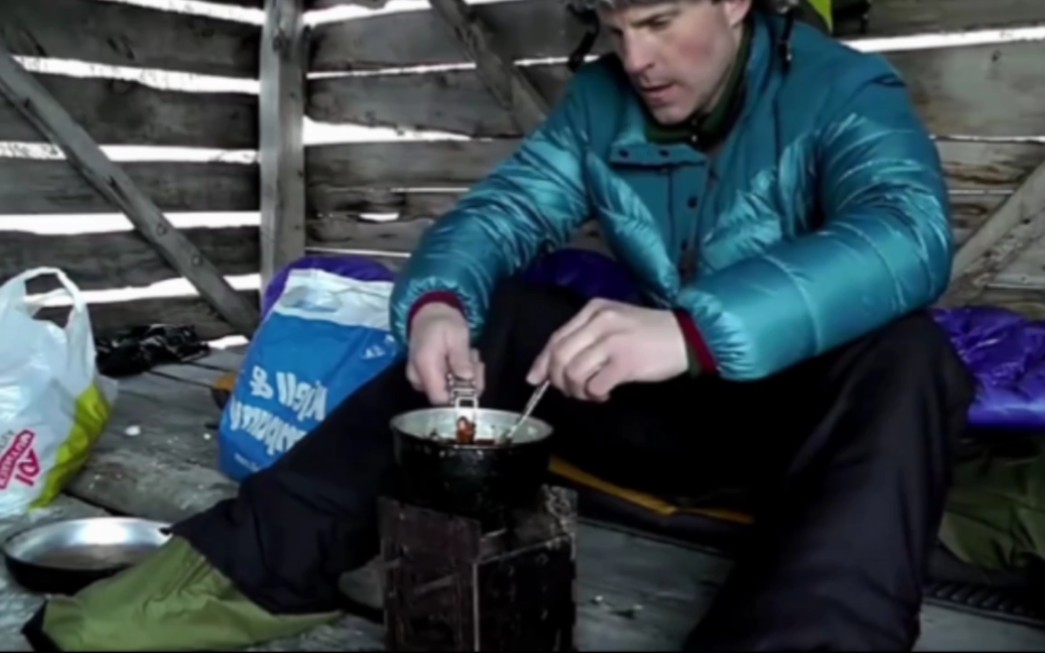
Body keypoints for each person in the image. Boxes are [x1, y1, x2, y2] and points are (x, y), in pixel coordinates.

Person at [23, 0, 976, 650]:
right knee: (508, 311)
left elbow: (907, 232)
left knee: (909, 356)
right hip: (663, 417)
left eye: (657, 19)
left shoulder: (844, 89)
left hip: (805, 433)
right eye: (610, 25)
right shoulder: (604, 104)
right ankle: (236, 574)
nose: (634, 57)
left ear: (732, 1)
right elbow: (500, 215)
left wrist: (687, 331)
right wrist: (439, 302)